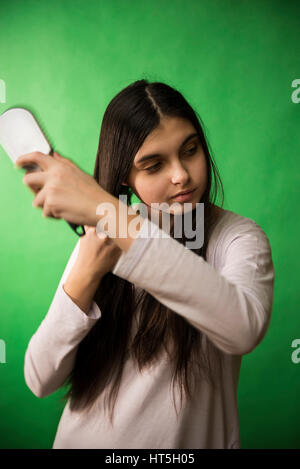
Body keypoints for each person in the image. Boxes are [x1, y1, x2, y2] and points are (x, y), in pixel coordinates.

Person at [16, 79, 275, 449]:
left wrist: (108, 213)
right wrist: (85, 273)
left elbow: (242, 328)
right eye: (153, 165)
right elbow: (40, 378)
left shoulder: (237, 239)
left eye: (190, 150)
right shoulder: (104, 236)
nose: (180, 175)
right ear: (126, 176)